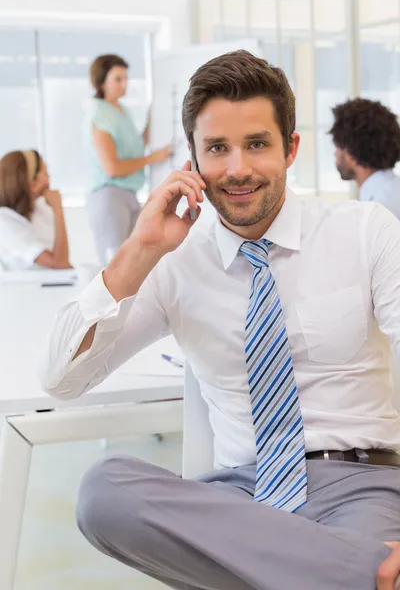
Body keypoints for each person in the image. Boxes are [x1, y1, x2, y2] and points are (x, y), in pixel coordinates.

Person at [42, 51, 400, 589]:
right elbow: (60, 382)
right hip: (237, 501)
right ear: (192, 158)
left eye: (257, 144)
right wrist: (138, 250)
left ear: (291, 149)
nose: (237, 169)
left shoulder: (365, 230)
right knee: (103, 492)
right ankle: (360, 573)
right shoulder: (172, 260)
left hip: (358, 483)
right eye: (216, 149)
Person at [85, 53, 172, 264]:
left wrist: (154, 119)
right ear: (101, 81)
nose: (124, 84)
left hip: (128, 195)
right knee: (117, 263)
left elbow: (135, 148)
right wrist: (153, 158)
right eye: (118, 79)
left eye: (126, 78)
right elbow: (112, 168)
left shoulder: (121, 111)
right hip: (109, 196)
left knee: (136, 259)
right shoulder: (100, 115)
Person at [329, 97, 400, 218]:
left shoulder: (376, 213)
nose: (334, 153)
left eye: (337, 146)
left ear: (350, 154)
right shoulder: (392, 191)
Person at [0, 150, 71, 270]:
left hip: (55, 283)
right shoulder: (4, 221)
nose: (49, 180)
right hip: (27, 287)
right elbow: (59, 263)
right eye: (45, 174)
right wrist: (58, 209)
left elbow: (64, 263)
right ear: (32, 182)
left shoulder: (39, 209)